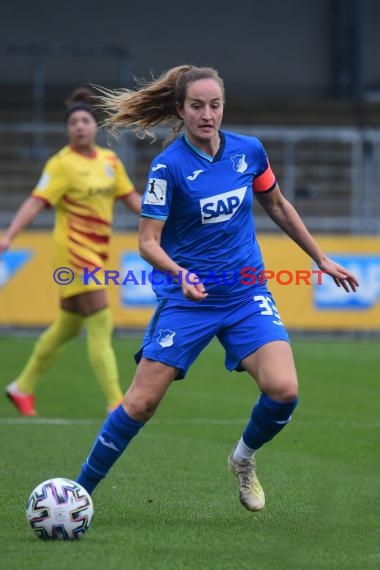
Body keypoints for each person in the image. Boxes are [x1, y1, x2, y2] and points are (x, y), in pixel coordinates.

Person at [74, 66, 358, 512]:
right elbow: (147, 242)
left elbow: (278, 205)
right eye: (197, 106)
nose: (207, 114)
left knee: (284, 389)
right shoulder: (168, 167)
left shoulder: (249, 152)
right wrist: (181, 274)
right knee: (142, 402)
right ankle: (78, 495)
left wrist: (319, 258)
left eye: (215, 105)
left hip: (246, 294)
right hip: (189, 302)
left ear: (223, 106)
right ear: (180, 110)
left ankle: (242, 460)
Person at [1, 86, 141, 417]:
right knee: (101, 322)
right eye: (73, 122)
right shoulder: (61, 164)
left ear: (95, 126)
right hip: (74, 253)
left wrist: (165, 222)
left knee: (67, 325)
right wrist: (9, 235)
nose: (79, 126)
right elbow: (36, 202)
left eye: (85, 121)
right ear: (68, 130)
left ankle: (22, 386)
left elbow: (132, 199)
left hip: (97, 251)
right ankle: (115, 403)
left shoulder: (110, 161)